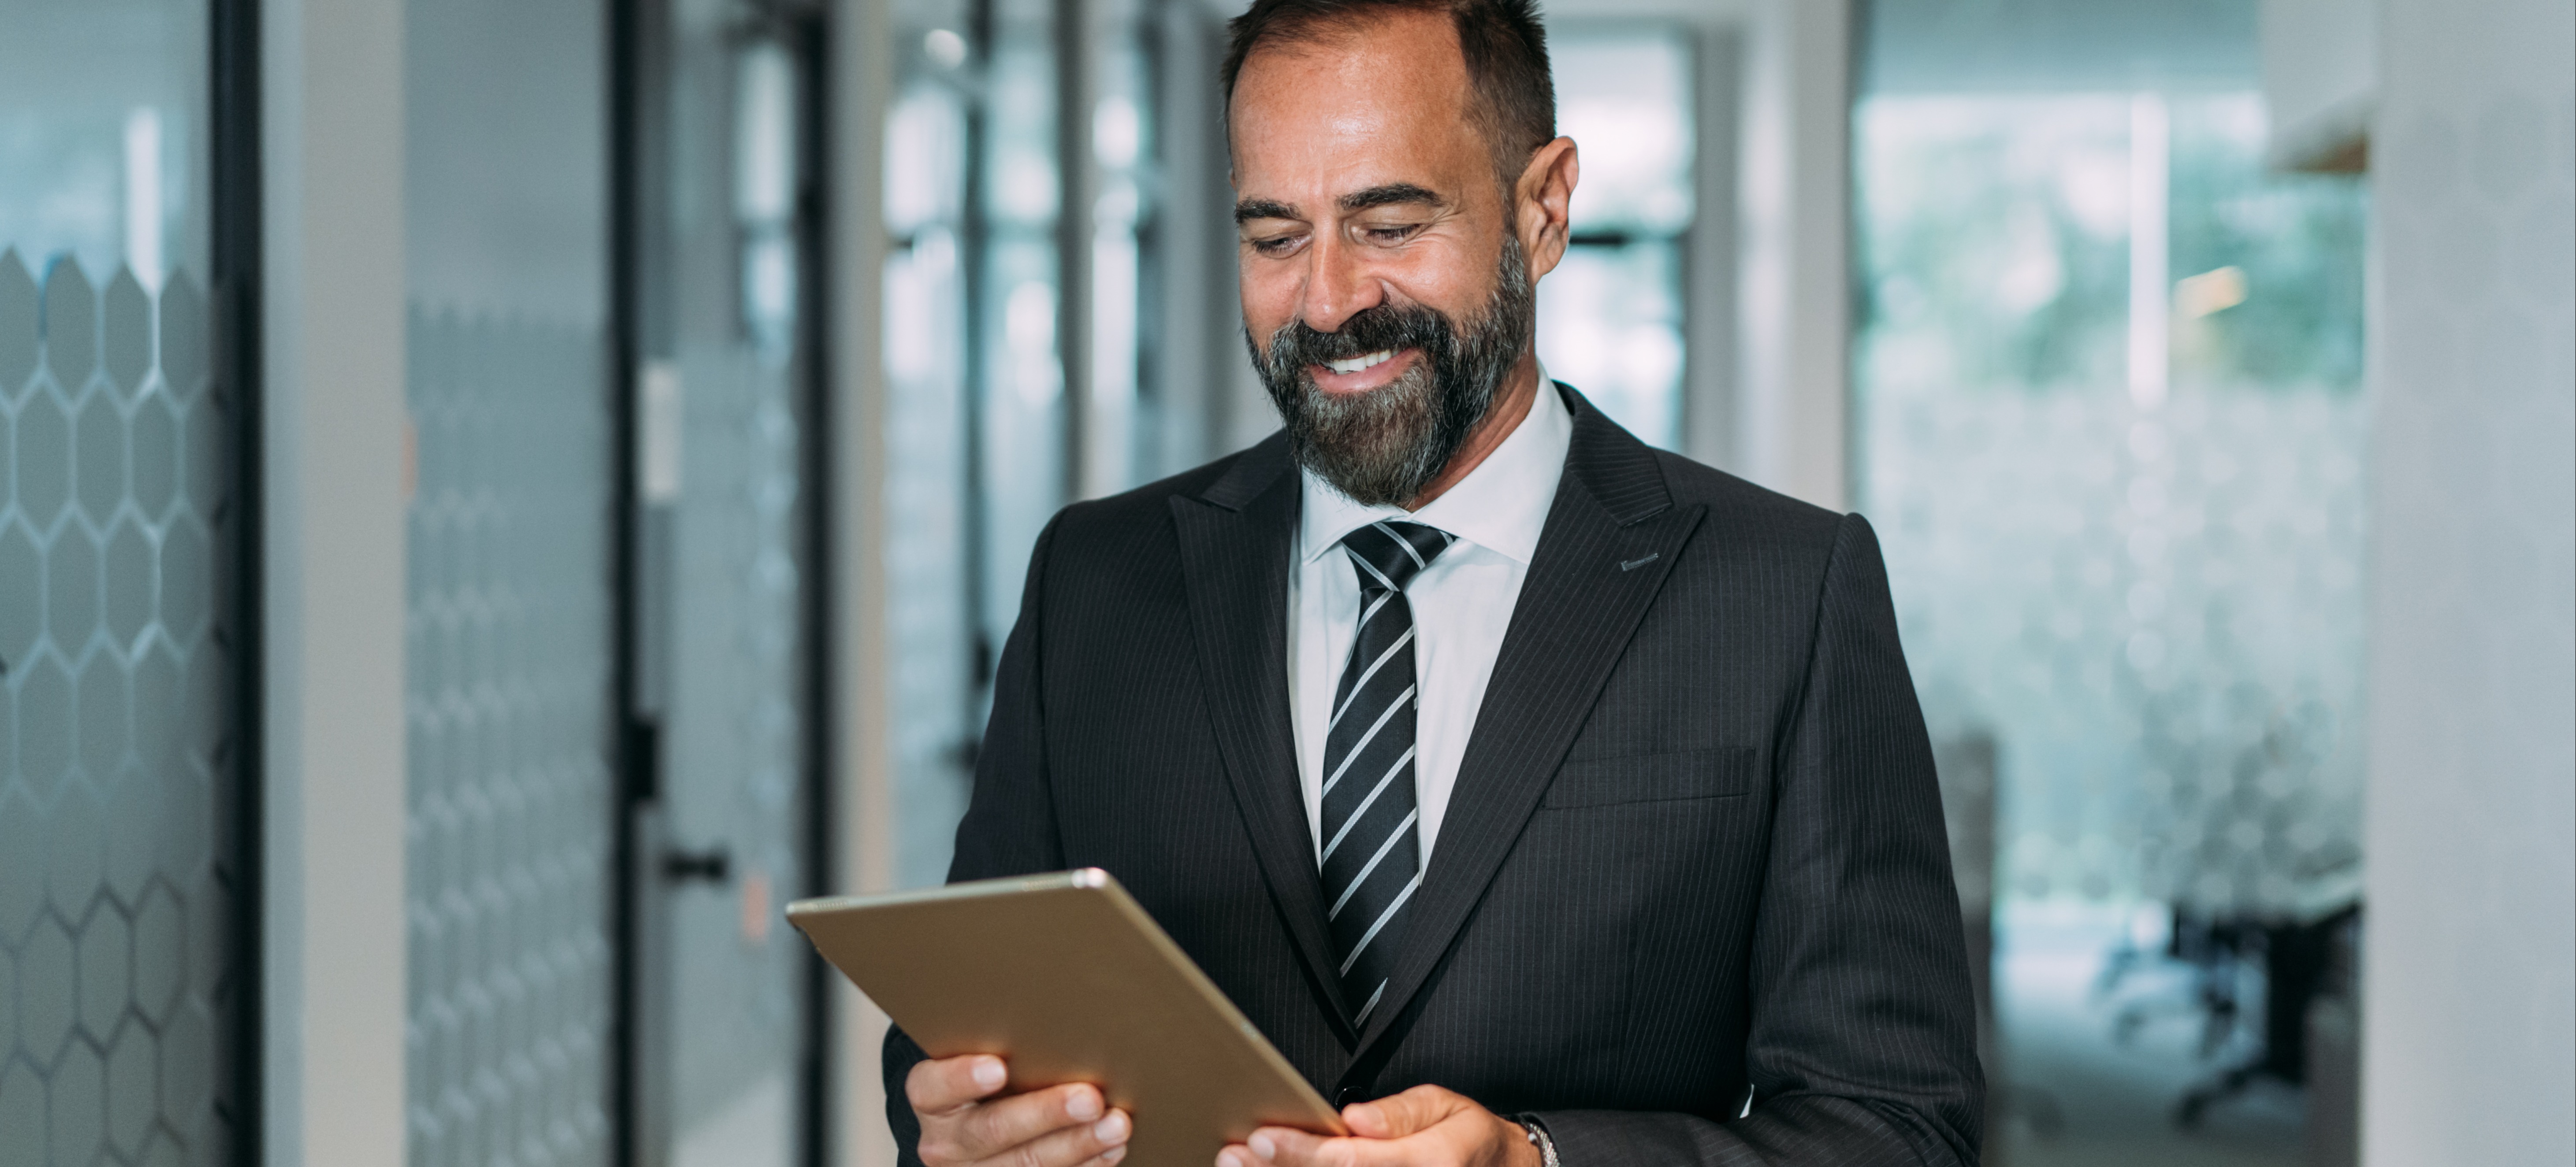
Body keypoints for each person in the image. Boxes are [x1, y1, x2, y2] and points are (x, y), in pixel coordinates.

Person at [884, 0, 1984, 1163]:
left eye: (1391, 223)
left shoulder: (1784, 597)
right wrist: (954, 1129)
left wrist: (1540, 1161)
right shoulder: (1095, 586)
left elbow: (1899, 1128)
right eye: (1274, 236)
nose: (1326, 300)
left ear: (1544, 207)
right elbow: (965, 1023)